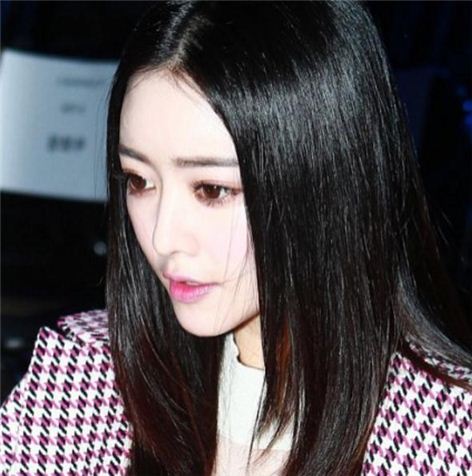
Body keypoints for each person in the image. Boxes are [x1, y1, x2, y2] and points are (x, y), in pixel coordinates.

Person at [1, 1, 471, 475]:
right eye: (139, 181)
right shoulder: (85, 376)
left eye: (212, 190)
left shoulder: (442, 436)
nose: (162, 237)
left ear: (325, 181)